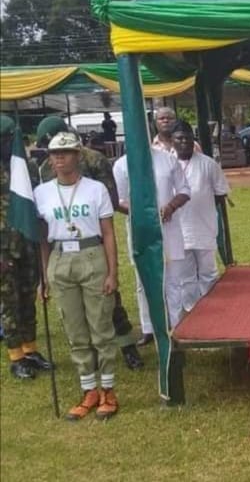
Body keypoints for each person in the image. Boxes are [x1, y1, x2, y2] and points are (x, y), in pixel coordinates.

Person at [36, 116, 143, 370]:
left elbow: (111, 197)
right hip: (64, 245)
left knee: (109, 300)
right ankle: (89, 355)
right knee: (76, 310)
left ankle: (127, 345)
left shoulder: (94, 159)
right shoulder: (45, 168)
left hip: (92, 240)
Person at [35, 132, 120, 420]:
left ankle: (108, 388)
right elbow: (43, 238)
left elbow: (108, 233)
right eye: (55, 154)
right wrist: (45, 275)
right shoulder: (42, 192)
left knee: (100, 327)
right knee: (75, 331)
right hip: (60, 259)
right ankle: (89, 389)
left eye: (67, 152)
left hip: (91, 254)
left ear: (78, 156)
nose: (60, 158)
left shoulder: (95, 189)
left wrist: (113, 272)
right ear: (49, 159)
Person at [113, 146, 191, 338]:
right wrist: (142, 213)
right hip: (141, 230)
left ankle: (176, 325)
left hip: (168, 228)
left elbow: (184, 190)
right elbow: (118, 200)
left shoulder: (168, 160)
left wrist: (171, 207)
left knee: (173, 280)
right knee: (143, 281)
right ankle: (148, 328)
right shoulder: (122, 164)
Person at [0, 115, 52, 379]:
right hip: (3, 250)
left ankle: (31, 350)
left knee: (28, 297)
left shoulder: (26, 167)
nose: (10, 144)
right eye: (6, 139)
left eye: (12, 138)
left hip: (26, 241)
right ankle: (16, 356)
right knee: (10, 302)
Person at [171, 120, 229, 307]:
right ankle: (192, 311)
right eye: (179, 138)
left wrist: (204, 207)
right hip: (177, 230)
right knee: (185, 277)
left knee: (209, 274)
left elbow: (220, 194)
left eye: (188, 138)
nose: (184, 142)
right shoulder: (166, 164)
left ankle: (212, 311)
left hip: (203, 227)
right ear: (172, 140)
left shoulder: (208, 164)